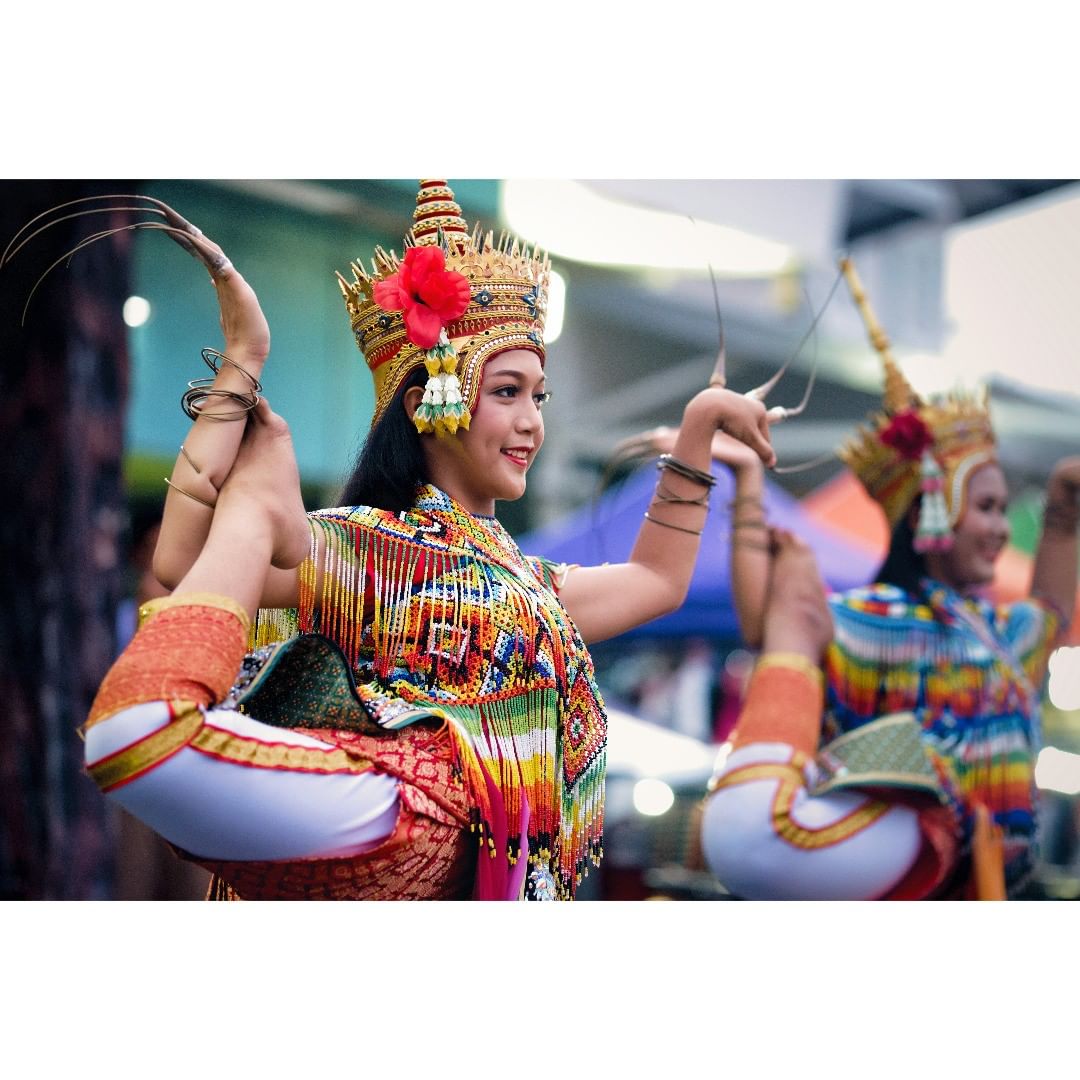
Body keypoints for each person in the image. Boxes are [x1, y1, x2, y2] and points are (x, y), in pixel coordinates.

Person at [82, 180, 777, 900]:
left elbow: (657, 581)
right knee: (141, 738)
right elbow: (183, 564)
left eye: (538, 396)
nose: (533, 421)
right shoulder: (363, 548)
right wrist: (242, 367)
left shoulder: (533, 586)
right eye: (507, 392)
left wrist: (698, 431)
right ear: (428, 401)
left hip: (477, 878)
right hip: (391, 824)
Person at [694, 259, 1080, 899]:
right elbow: (772, 623)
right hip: (899, 885)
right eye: (984, 507)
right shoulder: (867, 618)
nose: (1001, 528)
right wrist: (749, 487)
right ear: (932, 511)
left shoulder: (1005, 629)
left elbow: (1055, 611)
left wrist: (1065, 503)